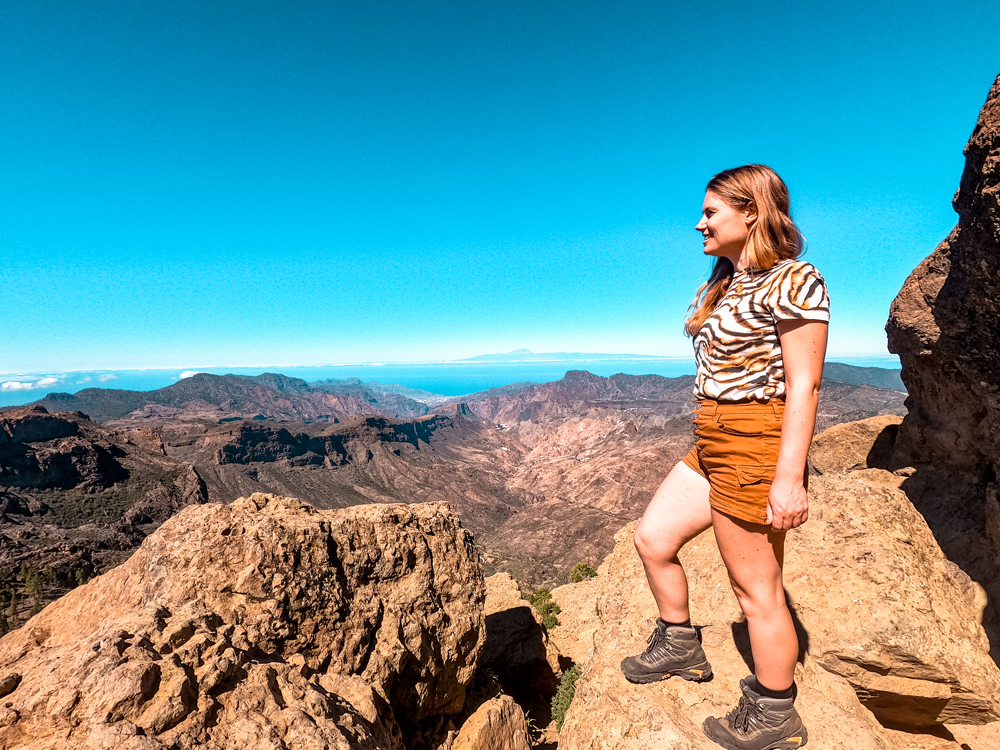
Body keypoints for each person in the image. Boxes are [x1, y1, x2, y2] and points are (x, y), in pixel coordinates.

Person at [619, 164, 828, 749]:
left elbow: (804, 384)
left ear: (752, 213)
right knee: (653, 540)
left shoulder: (795, 279)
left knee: (755, 591)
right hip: (710, 439)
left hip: (753, 443)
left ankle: (774, 710)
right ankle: (680, 645)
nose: (698, 223)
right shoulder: (725, 282)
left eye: (711, 213)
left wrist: (789, 479)